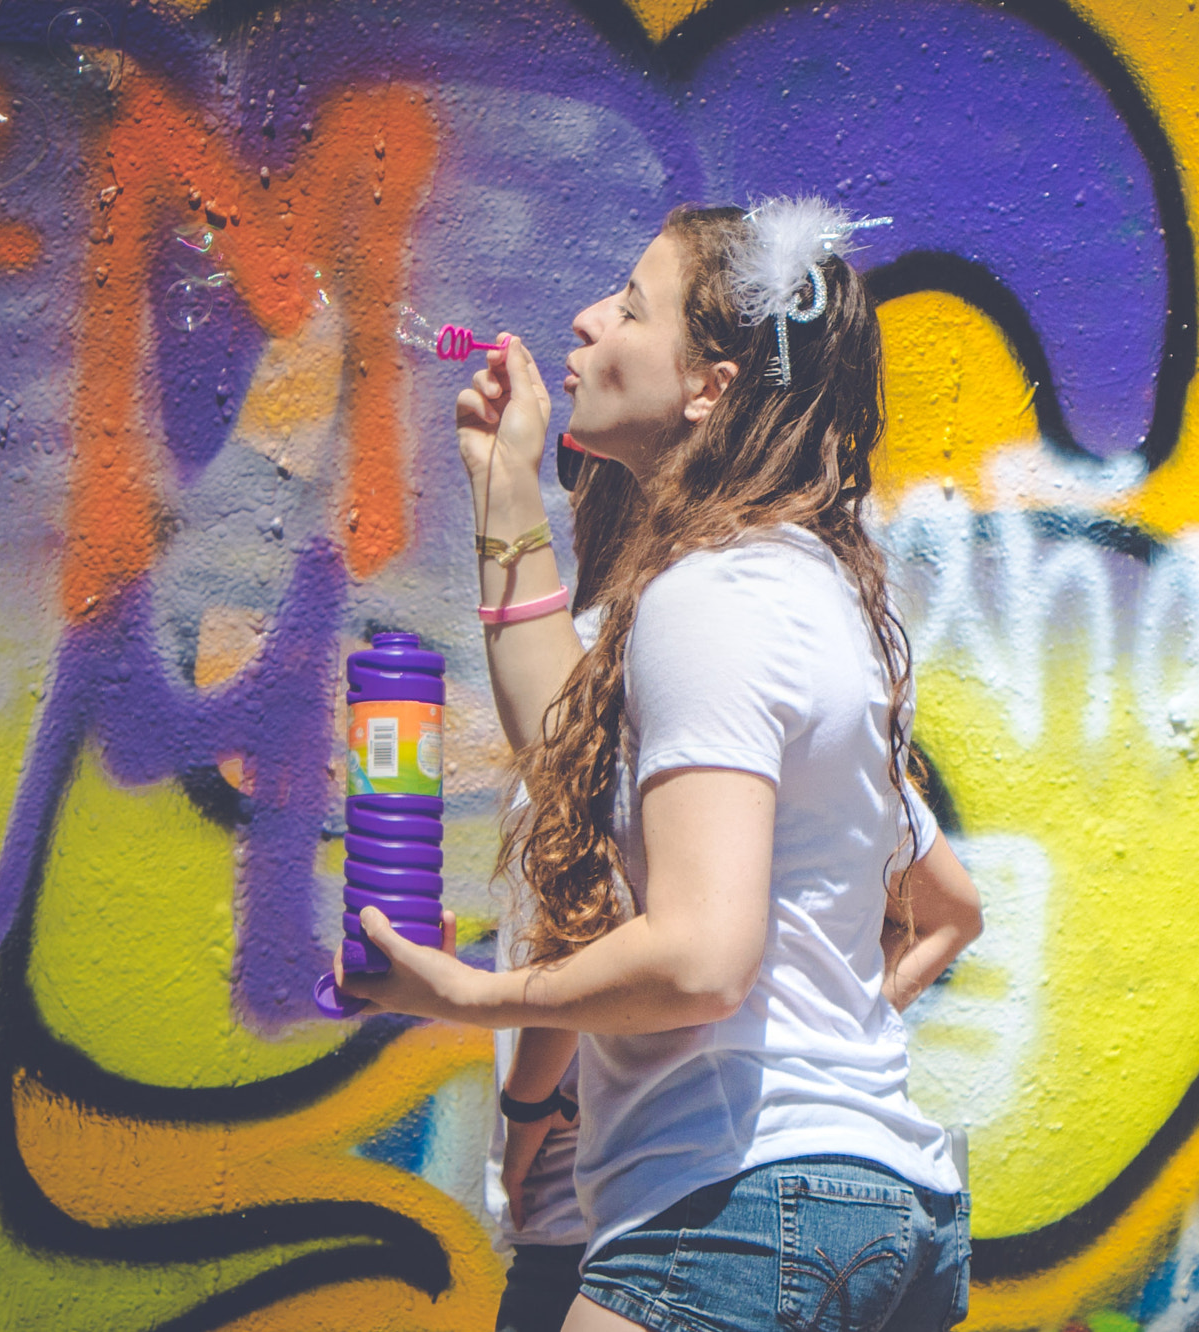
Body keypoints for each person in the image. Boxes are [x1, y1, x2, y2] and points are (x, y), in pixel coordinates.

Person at [340, 199, 985, 1332]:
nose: (587, 321)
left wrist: (476, 997)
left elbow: (698, 958)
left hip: (739, 1220)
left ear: (710, 386)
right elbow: (567, 752)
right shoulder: (798, 584)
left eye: (631, 306)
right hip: (871, 1212)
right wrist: (503, 489)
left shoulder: (713, 598)